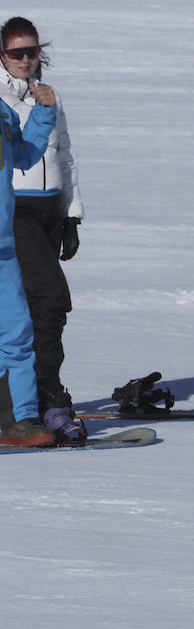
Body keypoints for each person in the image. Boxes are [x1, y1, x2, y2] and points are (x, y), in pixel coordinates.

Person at [1, 17, 85, 443]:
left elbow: (59, 153)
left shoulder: (47, 94)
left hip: (47, 211)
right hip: (14, 213)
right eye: (17, 52)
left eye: (32, 51)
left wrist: (71, 212)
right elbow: (21, 158)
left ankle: (28, 402)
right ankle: (47, 399)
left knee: (31, 314)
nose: (26, 60)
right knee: (50, 299)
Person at [0, 58, 56, 447]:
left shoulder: (2, 111)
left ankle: (23, 419)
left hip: (2, 247)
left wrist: (44, 113)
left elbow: (23, 156)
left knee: (18, 334)